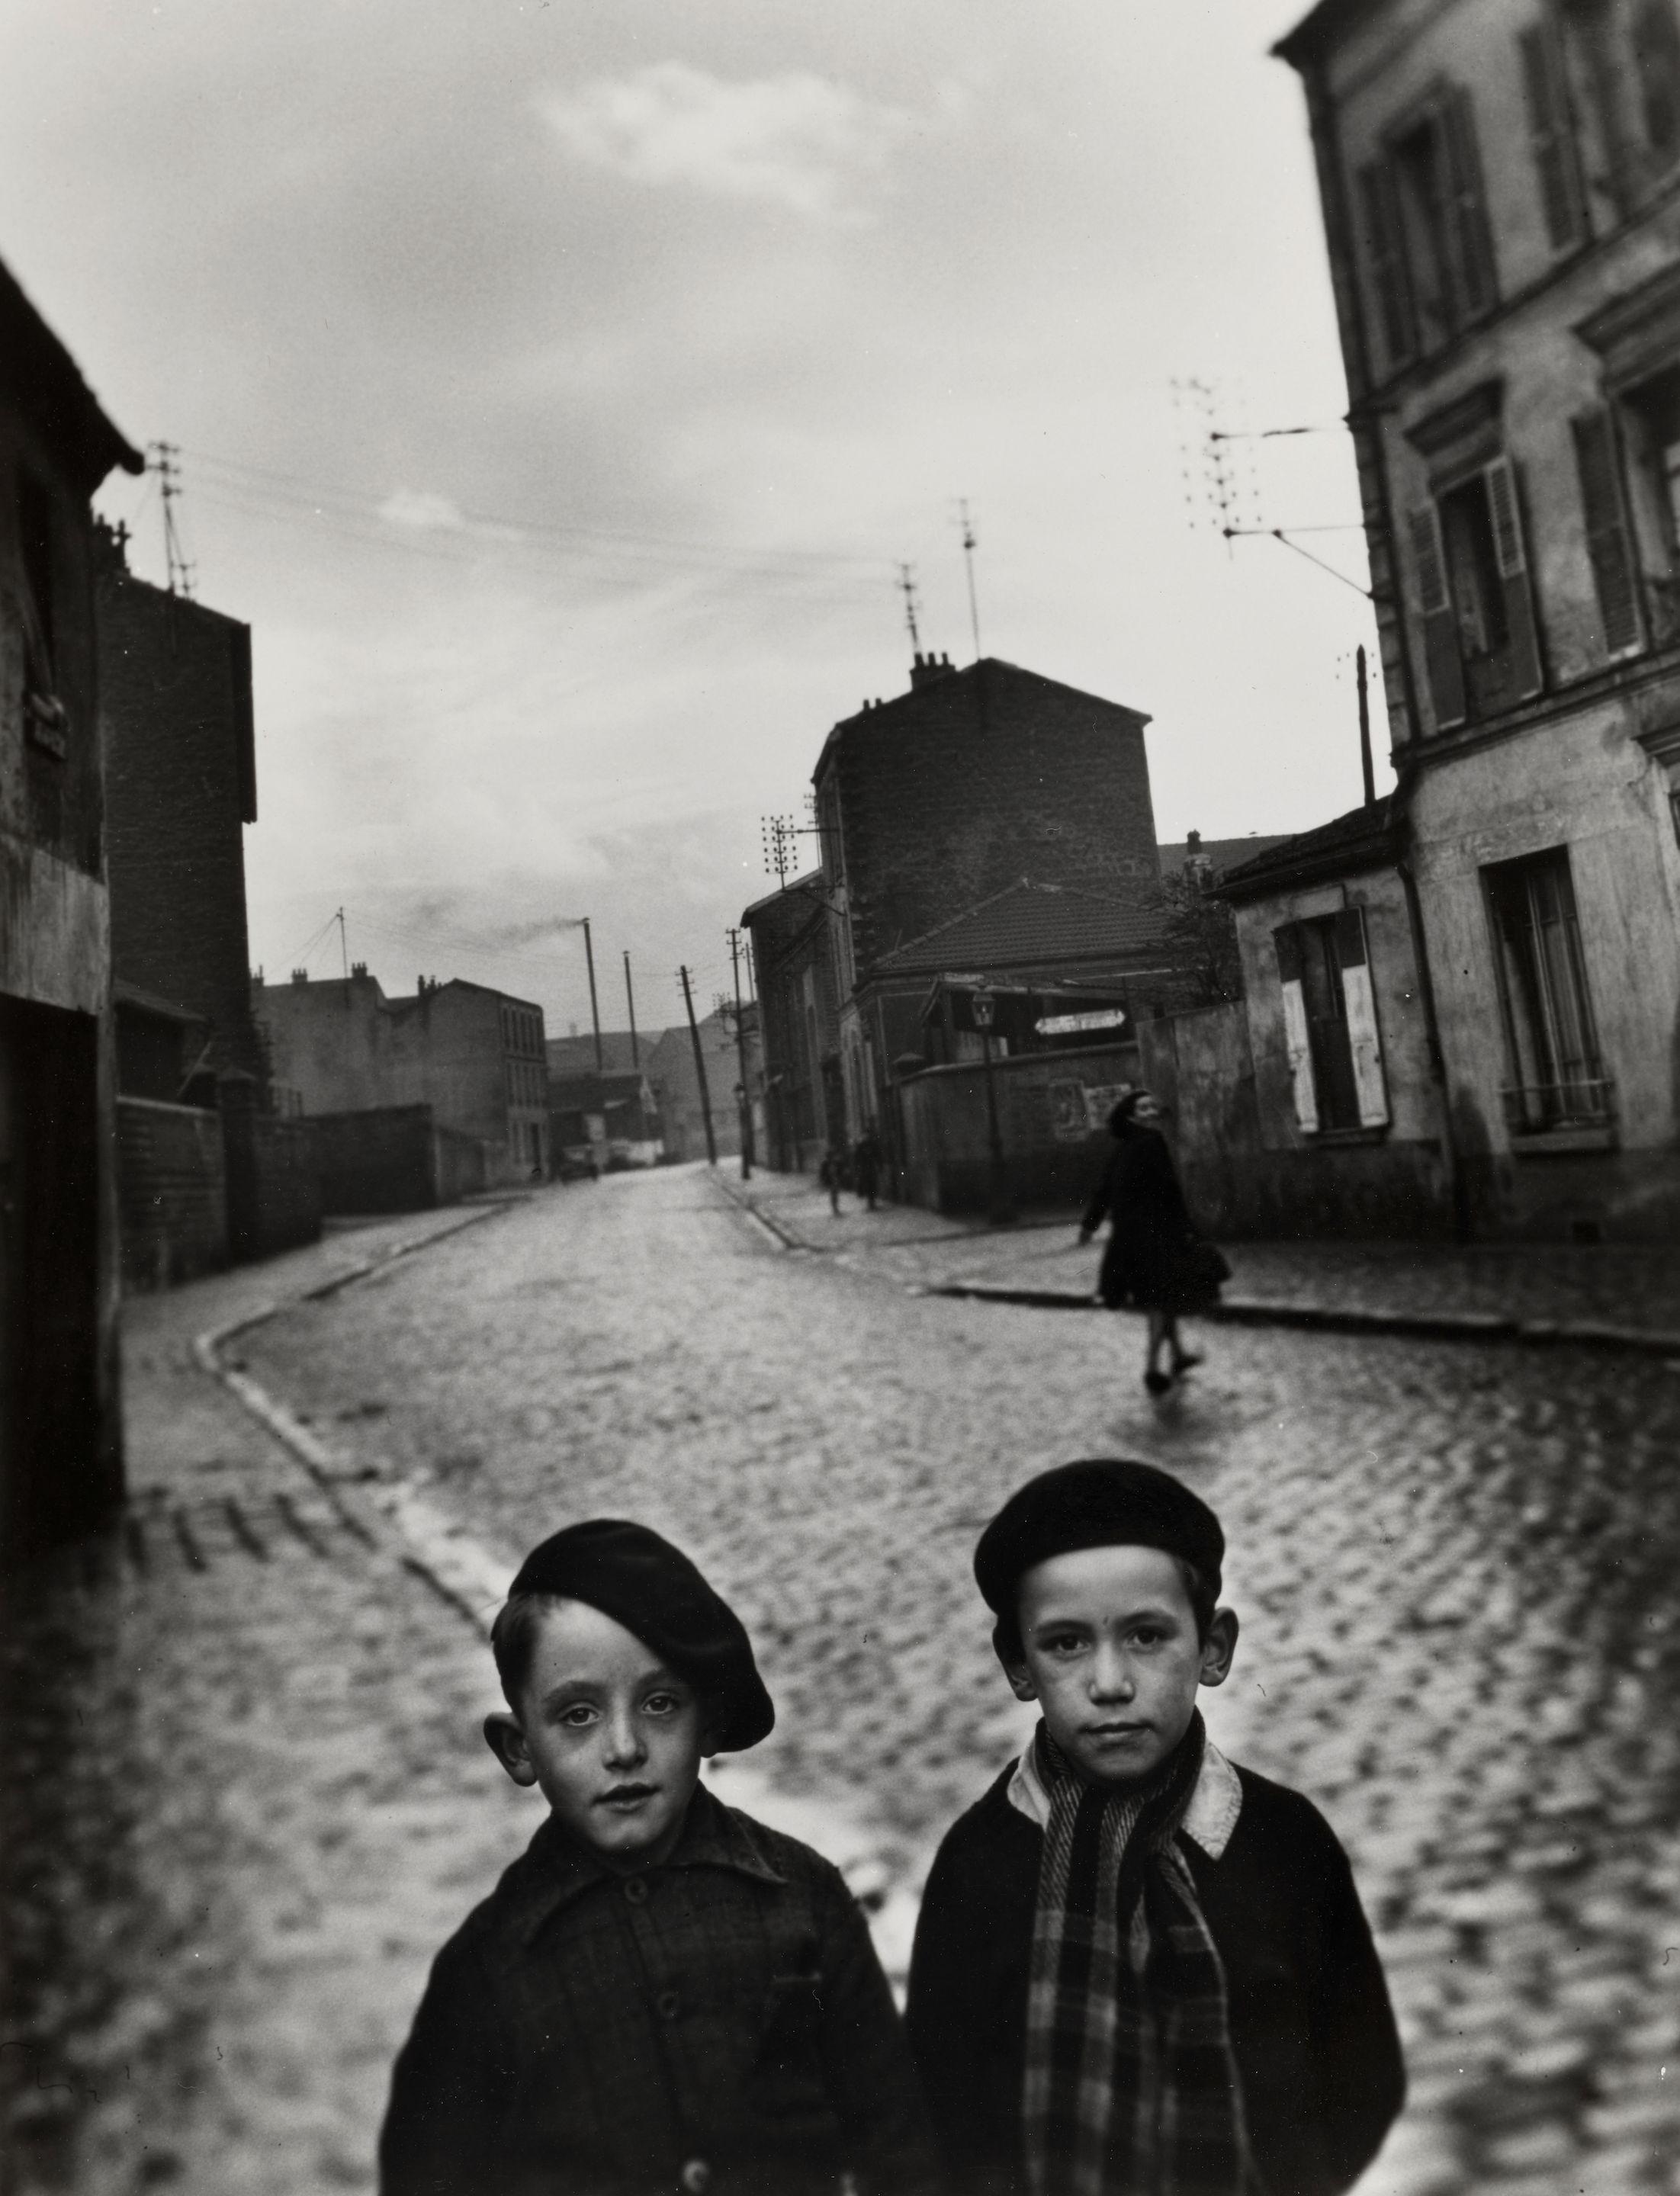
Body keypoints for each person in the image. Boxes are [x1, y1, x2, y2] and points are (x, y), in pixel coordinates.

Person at [379, 1519, 940, 2196]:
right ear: (518, 1749)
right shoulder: (488, 1964)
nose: (624, 1748)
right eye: (578, 1715)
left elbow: (897, 2140)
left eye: (659, 1703)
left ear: (708, 1722)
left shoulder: (802, 1896)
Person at [906, 1459, 1405, 2196]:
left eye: (1146, 1636)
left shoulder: (1283, 1840)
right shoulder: (981, 1863)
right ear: (1018, 1666)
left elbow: (1362, 2074)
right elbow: (939, 2110)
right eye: (1066, 1643)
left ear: (1213, 1648)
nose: (1109, 1684)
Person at [1079, 1089, 1227, 1395]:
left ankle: (1178, 1355)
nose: (1150, 1113)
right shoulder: (1152, 1141)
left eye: (1152, 1107)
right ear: (1131, 1116)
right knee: (1160, 1301)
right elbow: (1169, 1190)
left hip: (1129, 1239)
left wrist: (1090, 1225)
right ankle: (1152, 1369)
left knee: (1162, 1296)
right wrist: (1189, 1229)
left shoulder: (1123, 1148)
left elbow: (1104, 1190)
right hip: (1156, 1235)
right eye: (1143, 1108)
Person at [853, 1128, 884, 1212]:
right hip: (864, 1168)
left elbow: (878, 1156)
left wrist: (880, 1166)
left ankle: (872, 1202)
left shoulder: (873, 1145)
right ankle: (870, 1202)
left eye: (867, 1135)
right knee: (867, 1185)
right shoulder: (861, 1146)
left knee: (873, 1185)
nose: (866, 1136)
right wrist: (857, 1168)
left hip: (871, 1167)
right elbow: (856, 1158)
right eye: (865, 1135)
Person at [819, 1139, 848, 1217]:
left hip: (835, 1179)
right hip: (831, 1180)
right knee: (834, 1194)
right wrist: (824, 1180)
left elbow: (840, 1170)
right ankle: (835, 1208)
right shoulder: (826, 1163)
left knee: (835, 1194)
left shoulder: (836, 1162)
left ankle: (836, 1208)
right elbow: (823, 1173)